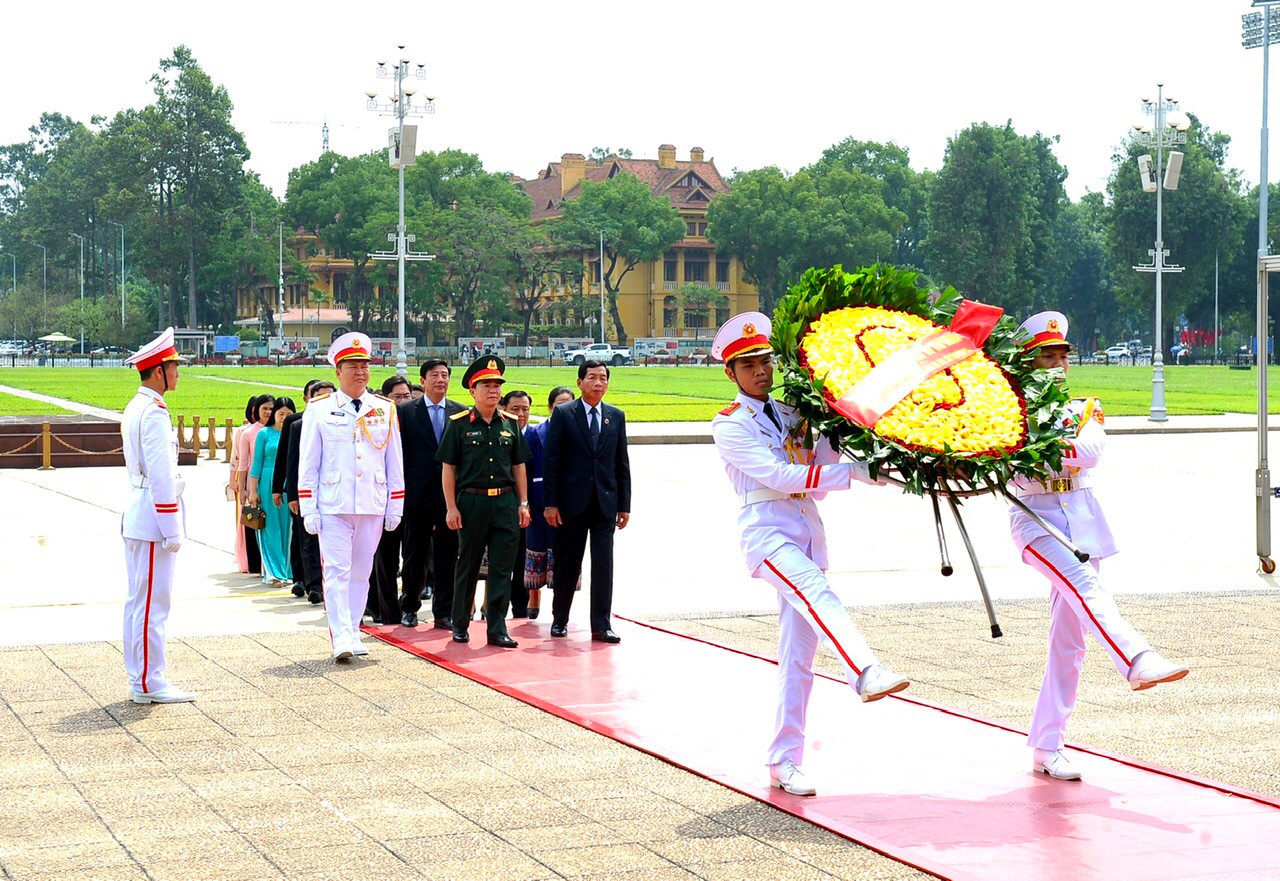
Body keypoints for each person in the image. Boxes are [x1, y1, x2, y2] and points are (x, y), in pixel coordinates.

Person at [710, 312, 907, 797]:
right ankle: (863, 669)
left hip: (805, 532)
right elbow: (780, 477)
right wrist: (853, 474)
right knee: (818, 594)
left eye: (764, 361)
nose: (760, 370)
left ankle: (783, 760)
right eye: (747, 364)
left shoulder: (793, 413)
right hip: (768, 534)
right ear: (729, 373)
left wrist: (842, 436)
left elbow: (815, 472)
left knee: (797, 657)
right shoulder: (730, 424)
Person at [1011, 311, 1189, 782]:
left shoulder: (1082, 408)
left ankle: (1047, 745)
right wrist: (1037, 443)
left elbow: (1090, 451)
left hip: (1083, 520)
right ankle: (1136, 658)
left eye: (1060, 356)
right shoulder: (1005, 412)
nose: (1055, 364)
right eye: (1045, 356)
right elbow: (1019, 469)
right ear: (1025, 362)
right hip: (1036, 519)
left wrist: (1038, 445)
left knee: (1068, 643)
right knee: (1086, 586)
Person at [298, 332, 405, 660]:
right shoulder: (319, 410)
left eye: (364, 365)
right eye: (352, 366)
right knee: (336, 571)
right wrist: (308, 506)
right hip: (333, 503)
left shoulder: (384, 409)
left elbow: (393, 460)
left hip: (371, 502)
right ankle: (340, 636)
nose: (360, 371)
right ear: (338, 371)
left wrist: (395, 505)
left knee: (361, 571)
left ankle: (354, 628)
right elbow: (309, 462)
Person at [120, 327, 194, 704]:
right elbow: (162, 477)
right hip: (152, 516)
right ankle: (150, 681)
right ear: (158, 371)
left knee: (139, 601)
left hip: (139, 511)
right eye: (174, 366)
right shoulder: (153, 413)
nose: (179, 372)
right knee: (153, 604)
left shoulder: (138, 406)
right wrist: (172, 528)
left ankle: (141, 676)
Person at [437, 355, 531, 648]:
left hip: (504, 502)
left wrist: (523, 503)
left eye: (496, 385)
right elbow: (448, 468)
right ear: (472, 391)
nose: (493, 390)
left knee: (503, 568)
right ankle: (461, 623)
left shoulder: (511, 424)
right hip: (472, 502)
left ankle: (497, 628)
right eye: (486, 385)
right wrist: (451, 507)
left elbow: (518, 466)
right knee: (468, 563)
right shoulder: (459, 424)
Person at [544, 361, 631, 643]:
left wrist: (624, 505)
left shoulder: (616, 416)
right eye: (592, 377)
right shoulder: (565, 414)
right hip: (571, 503)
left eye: (603, 378)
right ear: (580, 382)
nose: (598, 382)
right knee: (568, 563)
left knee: (604, 566)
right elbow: (552, 461)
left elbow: (622, 463)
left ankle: (601, 624)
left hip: (605, 503)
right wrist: (551, 503)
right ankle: (560, 619)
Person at [397, 359, 466, 629]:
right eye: (434, 375)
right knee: (414, 553)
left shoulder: (460, 413)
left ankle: (443, 612)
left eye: (445, 375)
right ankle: (410, 607)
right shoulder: (404, 411)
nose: (441, 380)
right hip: (416, 494)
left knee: (448, 554)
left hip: (450, 497)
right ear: (423, 381)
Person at [524, 387, 575, 619]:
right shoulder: (536, 434)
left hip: (569, 503)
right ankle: (534, 595)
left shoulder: (577, 433)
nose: (563, 410)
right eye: (558, 406)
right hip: (539, 500)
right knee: (536, 548)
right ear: (549, 408)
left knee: (563, 553)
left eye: (568, 405)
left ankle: (560, 604)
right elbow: (525, 469)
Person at [280, 380, 333, 604]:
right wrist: (293, 494)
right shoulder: (298, 425)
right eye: (320, 396)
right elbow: (291, 463)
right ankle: (314, 585)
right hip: (309, 491)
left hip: (333, 491)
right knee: (308, 538)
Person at [370, 375, 415, 624]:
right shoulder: (376, 423)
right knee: (384, 557)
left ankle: (408, 606)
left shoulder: (416, 420)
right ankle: (383, 608)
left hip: (412, 500)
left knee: (410, 557)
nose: (402, 401)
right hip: (382, 500)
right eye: (397, 396)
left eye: (406, 396)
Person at [272, 380, 323, 598]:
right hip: (302, 488)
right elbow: (287, 458)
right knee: (303, 535)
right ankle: (303, 580)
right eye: (319, 395)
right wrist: (282, 489)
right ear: (307, 398)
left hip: (328, 488)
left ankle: (314, 580)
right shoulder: (296, 422)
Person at [249, 397, 296, 585]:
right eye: (280, 413)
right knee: (270, 528)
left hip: (288, 483)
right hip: (267, 482)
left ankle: (289, 569)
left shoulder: (296, 432)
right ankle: (273, 572)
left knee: (288, 527)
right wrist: (253, 490)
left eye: (288, 414)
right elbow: (257, 463)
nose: (284, 417)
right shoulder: (264, 434)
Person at [500, 389, 533, 617]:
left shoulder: (537, 435)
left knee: (522, 557)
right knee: (500, 562)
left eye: (525, 409)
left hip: (527, 507)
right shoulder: (499, 431)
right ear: (504, 409)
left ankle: (520, 608)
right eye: (515, 409)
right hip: (500, 503)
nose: (521, 414)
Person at [234, 394, 274, 573]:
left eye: (271, 409)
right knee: (254, 520)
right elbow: (243, 463)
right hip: (253, 481)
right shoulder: (249, 432)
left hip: (273, 480)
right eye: (264, 408)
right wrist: (243, 488)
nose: (268, 412)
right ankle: (256, 563)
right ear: (256, 411)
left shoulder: (279, 429)